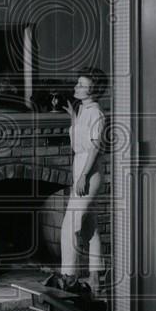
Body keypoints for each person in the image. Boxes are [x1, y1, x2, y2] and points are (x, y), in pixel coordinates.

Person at [46, 67, 107, 295]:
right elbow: (78, 143)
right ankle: (95, 279)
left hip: (89, 172)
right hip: (80, 165)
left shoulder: (96, 113)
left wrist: (82, 177)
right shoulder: (83, 110)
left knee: (70, 224)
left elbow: (93, 148)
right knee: (90, 229)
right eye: (78, 83)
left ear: (93, 89)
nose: (75, 87)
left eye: (81, 85)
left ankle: (69, 276)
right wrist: (73, 115)